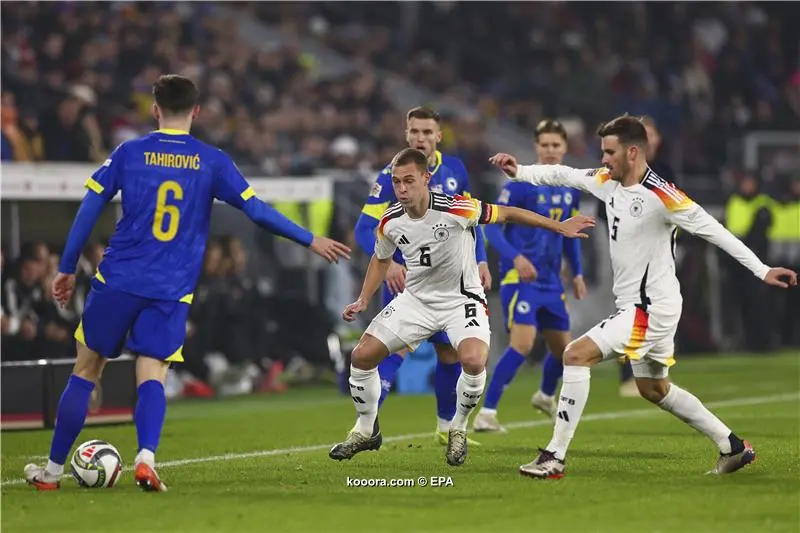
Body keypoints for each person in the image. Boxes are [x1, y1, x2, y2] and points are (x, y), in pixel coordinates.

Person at [23, 74, 350, 492]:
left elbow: (90, 208)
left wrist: (66, 267)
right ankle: (146, 458)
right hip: (171, 288)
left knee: (85, 371)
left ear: (154, 109)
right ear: (196, 111)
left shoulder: (129, 152)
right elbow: (257, 211)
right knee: (152, 374)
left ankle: (51, 472)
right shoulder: (212, 161)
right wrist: (310, 238)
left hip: (118, 278)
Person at [489, 114, 797, 479]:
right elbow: (563, 174)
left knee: (575, 354)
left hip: (648, 309)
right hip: (648, 307)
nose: (602, 160)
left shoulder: (663, 196)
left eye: (609, 152)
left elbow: (716, 232)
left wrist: (762, 270)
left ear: (632, 152)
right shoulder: (607, 181)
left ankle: (554, 456)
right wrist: (519, 170)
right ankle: (733, 446)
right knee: (654, 389)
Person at [330, 148, 594, 466]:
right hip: (416, 301)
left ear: (426, 179)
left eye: (409, 181)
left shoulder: (457, 207)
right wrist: (362, 299)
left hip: (461, 299)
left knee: (472, 359)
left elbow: (507, 214)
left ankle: (458, 426)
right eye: (397, 182)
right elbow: (380, 259)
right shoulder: (390, 220)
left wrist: (559, 227)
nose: (401, 189)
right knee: (361, 356)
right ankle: (365, 428)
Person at [353, 106, 491, 444]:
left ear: (439, 136)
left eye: (427, 132)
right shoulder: (391, 176)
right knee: (391, 352)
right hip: (407, 281)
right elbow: (364, 228)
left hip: (450, 284)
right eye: (415, 131)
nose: (421, 138)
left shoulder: (455, 169)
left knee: (449, 354)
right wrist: (392, 266)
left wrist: (482, 259)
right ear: (406, 134)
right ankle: (367, 426)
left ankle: (445, 428)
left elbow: (472, 221)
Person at [474, 119, 587, 432]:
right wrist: (516, 257)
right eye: (545, 145)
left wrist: (577, 273)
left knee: (566, 352)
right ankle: (487, 413)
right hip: (520, 278)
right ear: (536, 147)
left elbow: (569, 234)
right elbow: (491, 229)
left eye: (556, 145)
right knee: (522, 345)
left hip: (552, 281)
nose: (551, 151)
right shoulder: (520, 185)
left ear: (564, 148)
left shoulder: (569, 189)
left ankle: (545, 395)